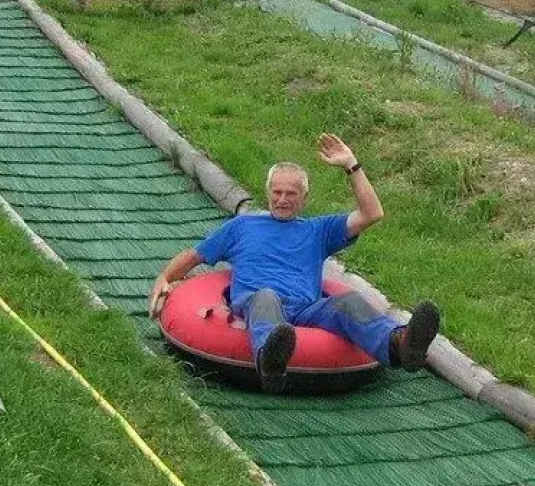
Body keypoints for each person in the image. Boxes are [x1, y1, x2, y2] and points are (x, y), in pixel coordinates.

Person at [148, 133, 440, 393]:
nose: (283, 200)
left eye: (291, 194)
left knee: (346, 302)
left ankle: (402, 346)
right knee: (266, 297)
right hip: (258, 302)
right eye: (277, 192)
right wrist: (165, 277)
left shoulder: (318, 230)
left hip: (307, 309)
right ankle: (271, 360)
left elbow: (372, 213)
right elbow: (195, 255)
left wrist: (351, 164)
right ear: (268, 192)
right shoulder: (241, 227)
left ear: (304, 198)